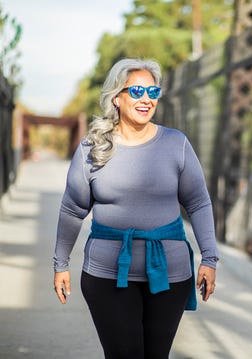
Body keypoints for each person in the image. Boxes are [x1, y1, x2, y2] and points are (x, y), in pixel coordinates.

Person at [53, 58, 219, 359]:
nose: (146, 99)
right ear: (117, 97)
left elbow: (198, 201)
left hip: (170, 274)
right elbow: (72, 209)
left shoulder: (176, 143)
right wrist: (60, 263)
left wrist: (210, 258)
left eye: (153, 92)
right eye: (138, 91)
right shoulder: (93, 148)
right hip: (106, 274)